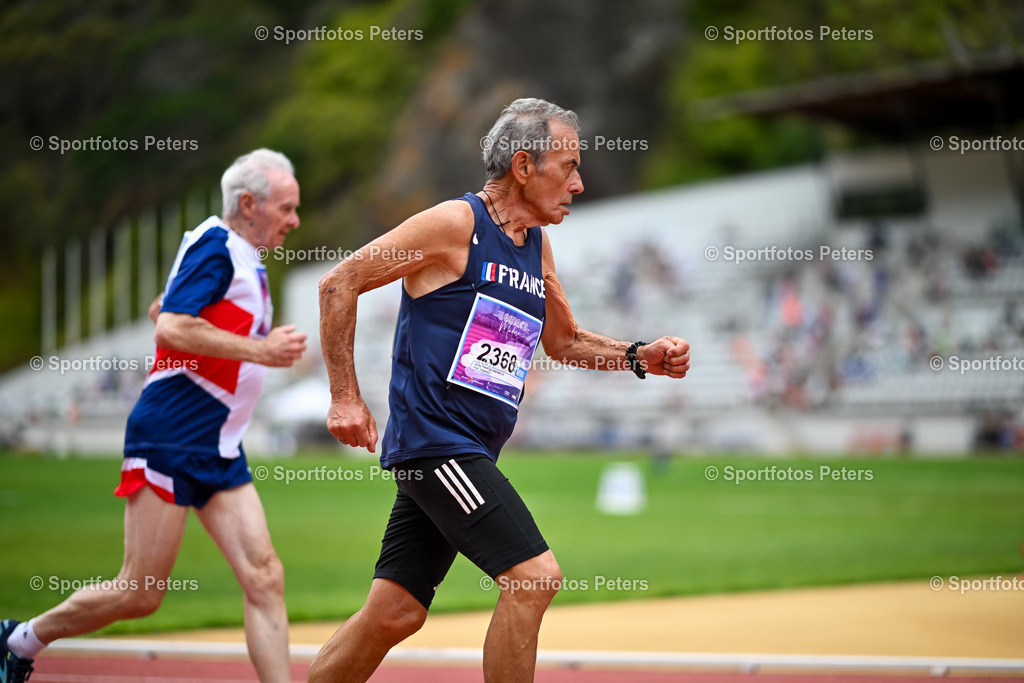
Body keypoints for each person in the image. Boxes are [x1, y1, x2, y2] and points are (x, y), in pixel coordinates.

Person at [310, 98, 690, 682]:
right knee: (534, 578)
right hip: (438, 446)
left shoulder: (536, 246)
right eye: (569, 167)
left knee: (395, 613)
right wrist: (344, 396)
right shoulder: (454, 225)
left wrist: (639, 357)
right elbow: (340, 283)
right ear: (523, 166)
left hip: (468, 451)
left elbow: (563, 342)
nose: (579, 184)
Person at [1, 149, 307, 683]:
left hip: (219, 445)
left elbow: (164, 308)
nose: (295, 220)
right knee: (140, 592)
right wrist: (262, 350)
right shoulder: (217, 244)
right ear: (248, 204)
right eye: (286, 208)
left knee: (265, 576)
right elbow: (170, 326)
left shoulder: (242, 255)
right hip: (172, 435)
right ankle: (16, 640)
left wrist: (181, 309)